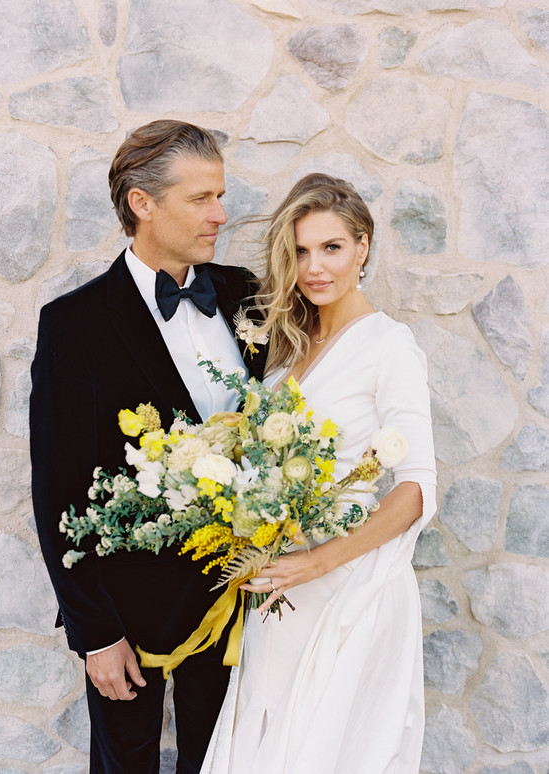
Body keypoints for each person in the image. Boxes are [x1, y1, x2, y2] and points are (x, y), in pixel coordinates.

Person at [30, 119, 266, 774]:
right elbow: (58, 489)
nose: (221, 214)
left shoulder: (245, 293)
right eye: (201, 198)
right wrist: (95, 634)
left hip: (236, 601)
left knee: (223, 763)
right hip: (126, 617)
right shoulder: (73, 326)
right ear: (142, 202)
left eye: (220, 195)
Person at [200, 173, 437, 774]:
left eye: (331, 247)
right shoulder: (285, 352)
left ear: (363, 245)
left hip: (345, 584)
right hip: (278, 586)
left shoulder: (390, 345)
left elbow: (414, 489)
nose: (314, 267)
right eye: (301, 251)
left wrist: (318, 561)